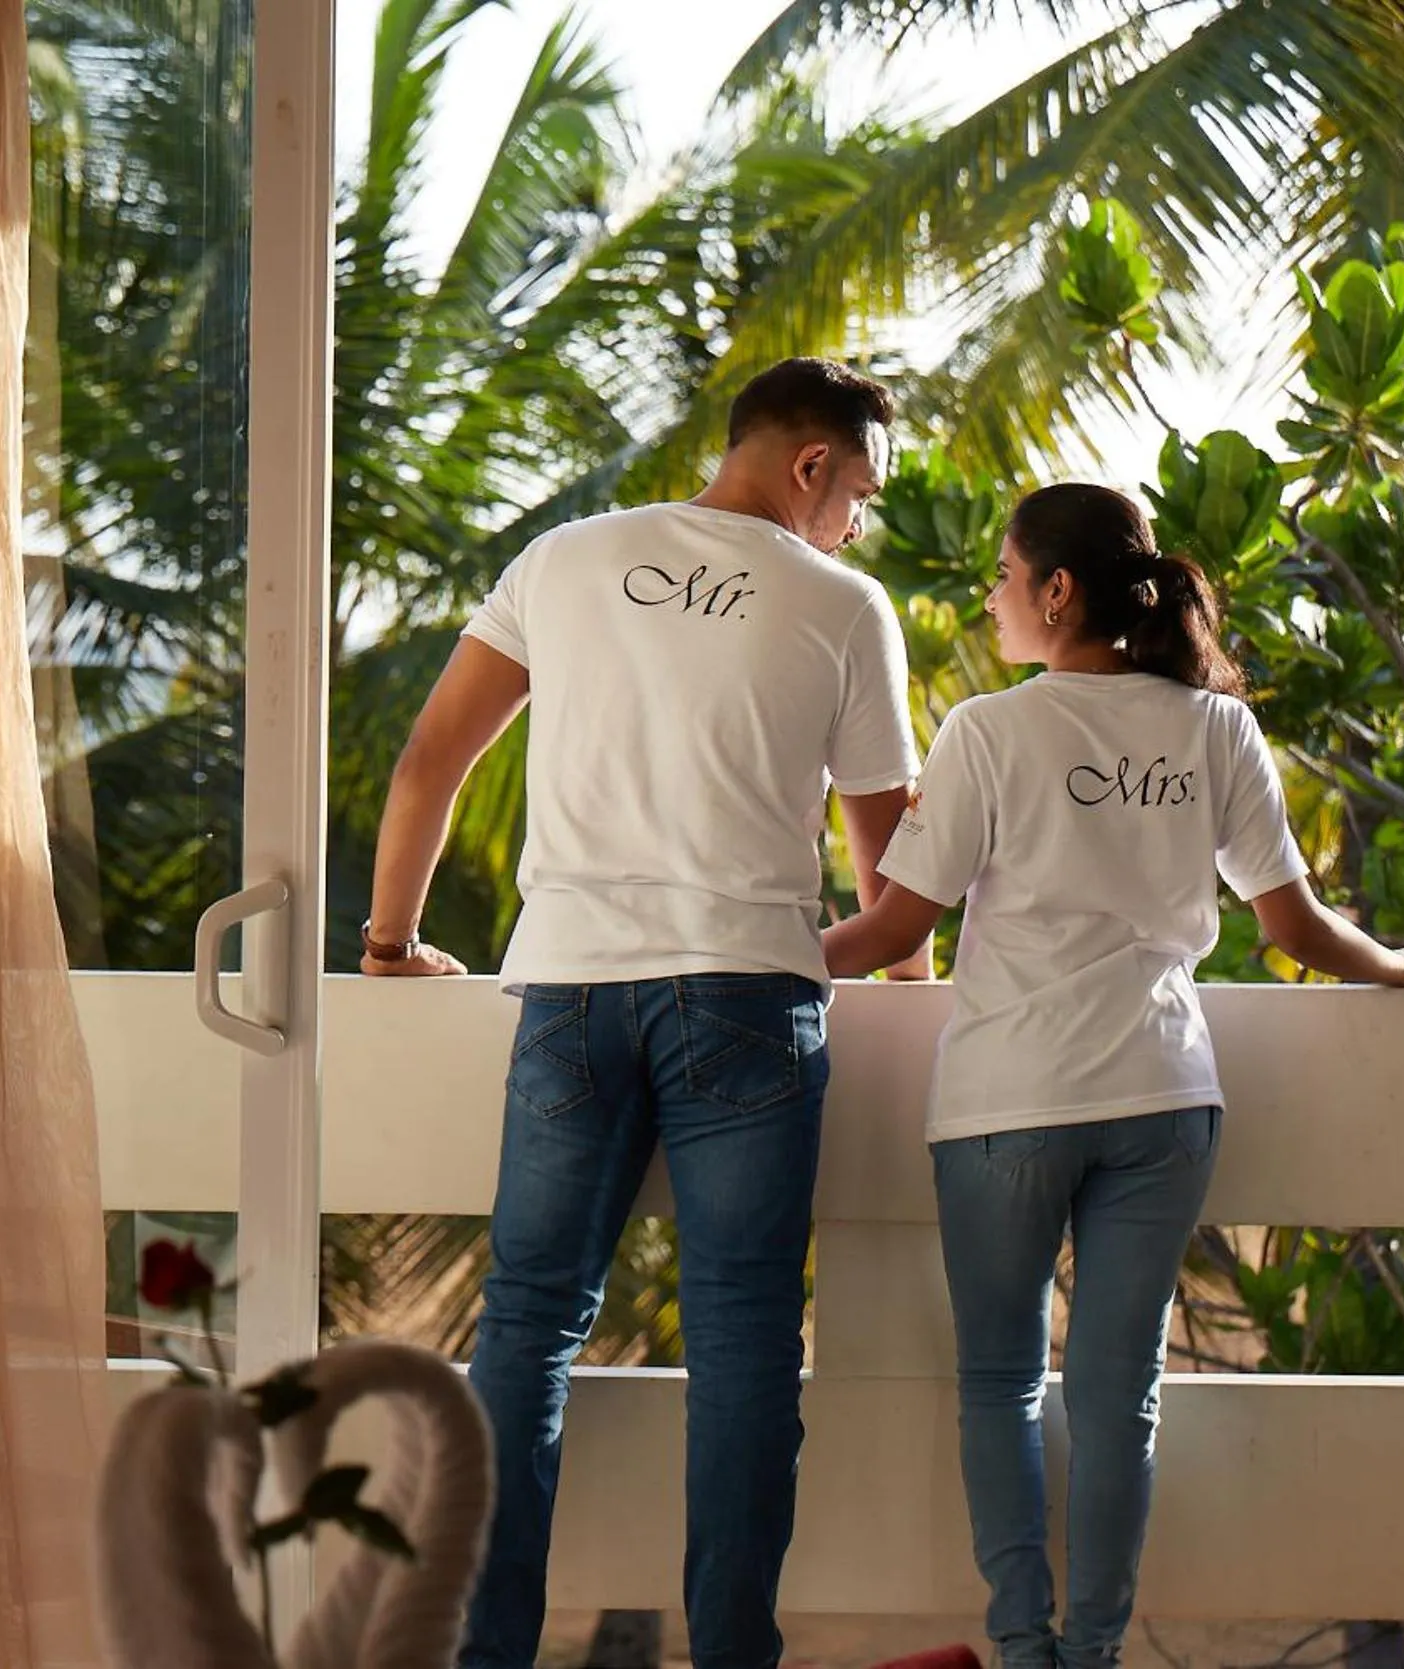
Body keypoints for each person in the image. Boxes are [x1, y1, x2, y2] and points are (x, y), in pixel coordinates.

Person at [356, 357, 928, 1669]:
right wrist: (907, 987)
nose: (858, 522)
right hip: (748, 993)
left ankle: (487, 1654)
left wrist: (390, 943)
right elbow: (886, 869)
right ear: (810, 467)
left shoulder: (562, 559)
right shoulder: (841, 604)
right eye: (861, 493)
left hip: (570, 983)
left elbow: (429, 758)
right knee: (743, 1340)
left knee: (526, 1321)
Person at [822, 482, 1404, 1669]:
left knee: (999, 1383)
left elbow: (897, 925)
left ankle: (1023, 1646)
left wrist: (762, 957)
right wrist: (1398, 966)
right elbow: (1292, 926)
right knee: (1120, 1398)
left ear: (1057, 591)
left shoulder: (987, 731)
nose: (992, 597)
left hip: (1006, 1103)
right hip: (1162, 1097)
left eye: (1004, 576)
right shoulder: (1217, 729)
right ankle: (1094, 1653)